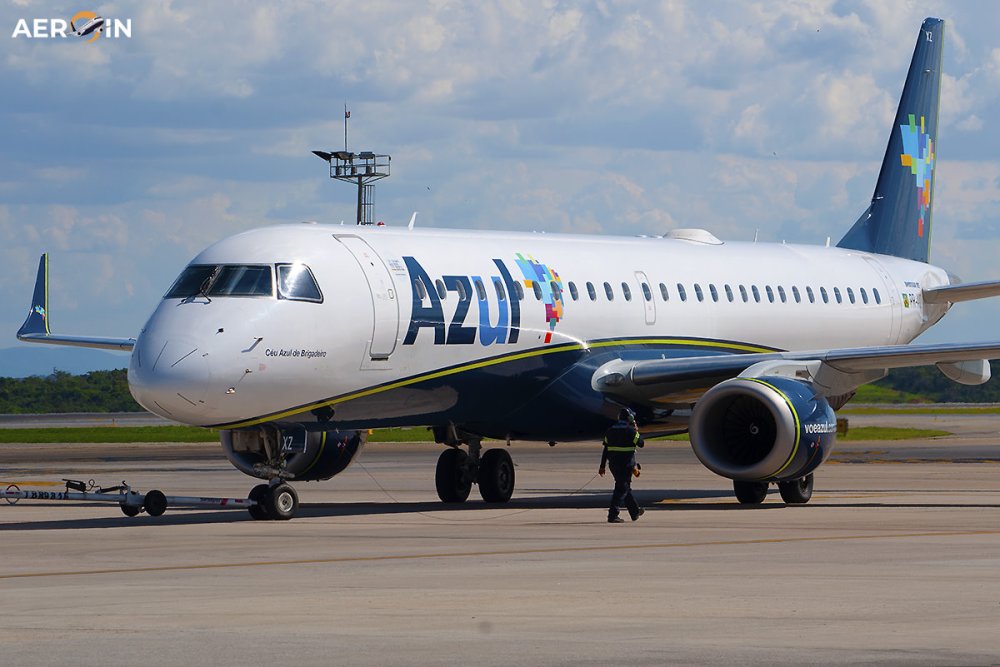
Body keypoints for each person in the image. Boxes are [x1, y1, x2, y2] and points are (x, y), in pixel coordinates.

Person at [599, 407, 645, 523]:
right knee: (621, 489)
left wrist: (602, 466)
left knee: (625, 487)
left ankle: (634, 512)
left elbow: (606, 450)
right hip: (626, 465)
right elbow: (641, 444)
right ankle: (613, 515)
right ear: (630, 418)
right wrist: (636, 431)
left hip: (614, 465)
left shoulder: (610, 431)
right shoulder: (631, 431)